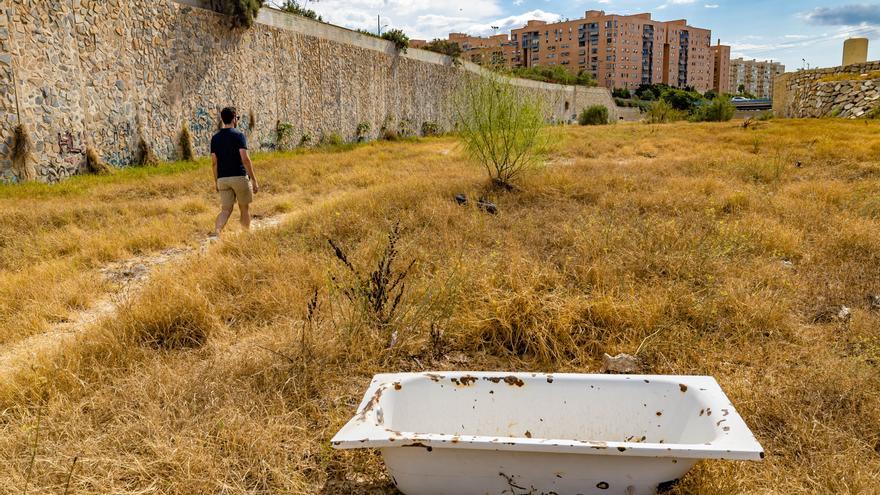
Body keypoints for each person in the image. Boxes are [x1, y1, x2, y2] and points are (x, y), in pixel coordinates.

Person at [210, 107, 259, 237]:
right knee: (244, 208)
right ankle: (245, 235)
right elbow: (245, 159)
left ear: (222, 119)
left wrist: (216, 181)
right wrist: (253, 179)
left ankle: (217, 232)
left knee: (225, 210)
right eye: (237, 118)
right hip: (239, 176)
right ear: (233, 119)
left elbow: (214, 162)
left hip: (222, 179)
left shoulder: (215, 138)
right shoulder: (238, 135)